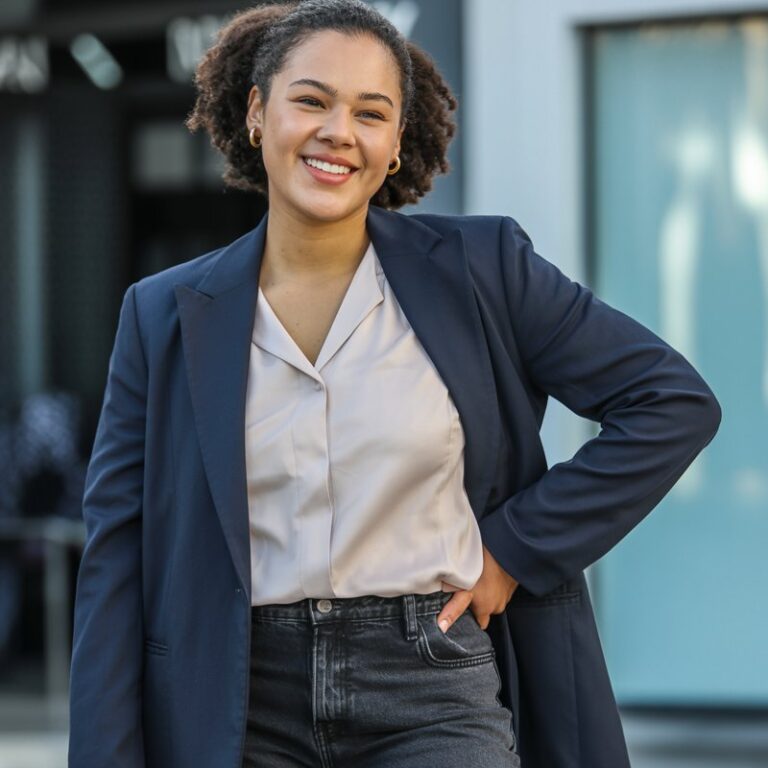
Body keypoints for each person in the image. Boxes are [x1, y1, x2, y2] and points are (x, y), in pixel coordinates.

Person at [67, 1, 721, 766]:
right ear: (256, 113)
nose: (337, 131)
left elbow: (670, 402)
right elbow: (117, 557)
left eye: (370, 113)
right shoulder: (162, 315)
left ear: (394, 142)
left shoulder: (485, 270)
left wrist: (512, 550)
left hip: (430, 682)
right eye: (311, 100)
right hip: (236, 698)